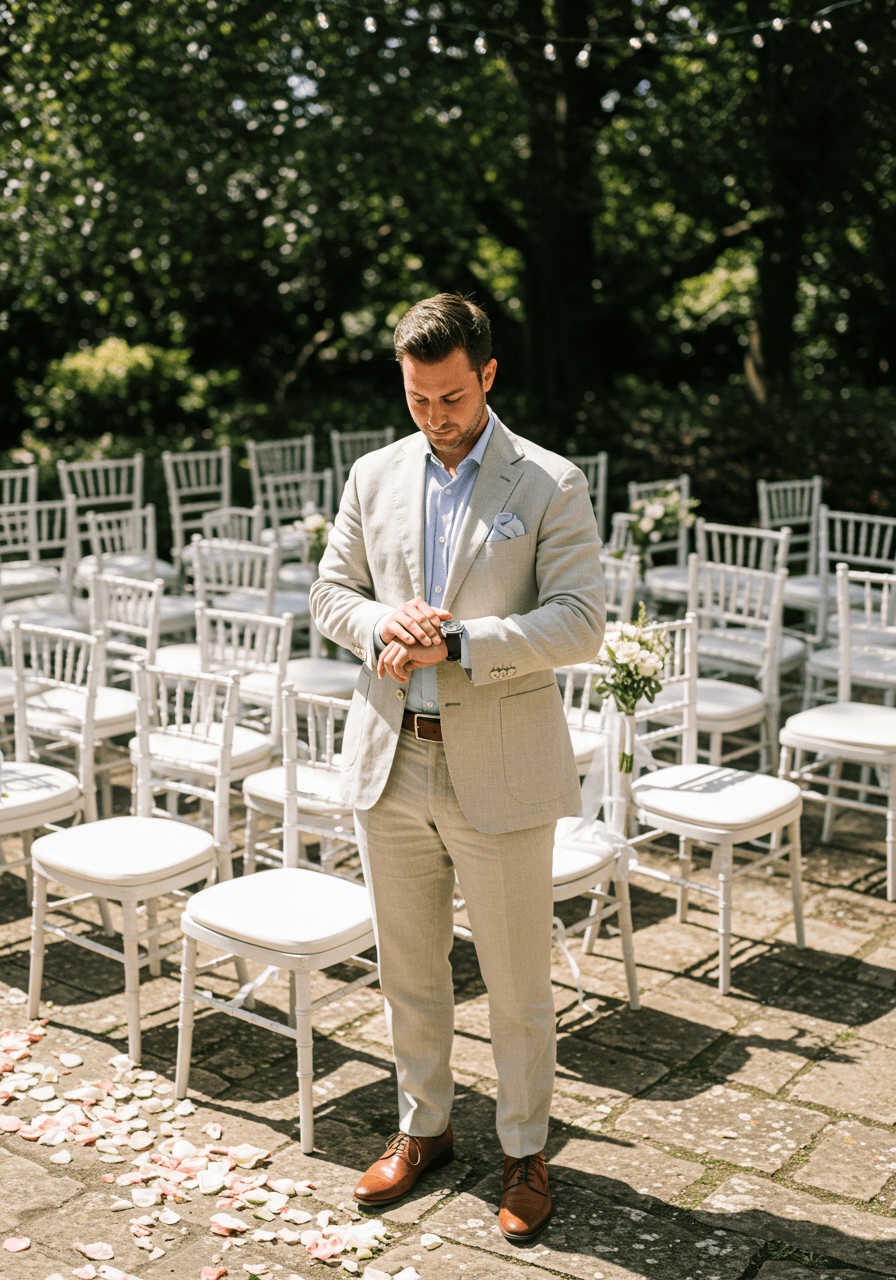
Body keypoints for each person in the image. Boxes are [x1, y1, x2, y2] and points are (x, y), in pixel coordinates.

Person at [309, 293, 605, 1243]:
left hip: (501, 769)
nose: (433, 416)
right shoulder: (372, 473)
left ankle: (524, 1150)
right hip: (390, 761)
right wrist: (377, 624)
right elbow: (329, 591)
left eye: (449, 397)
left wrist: (464, 641)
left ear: (487, 375)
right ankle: (422, 1126)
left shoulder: (550, 482)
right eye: (416, 398)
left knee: (516, 981)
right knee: (409, 970)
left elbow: (582, 623)